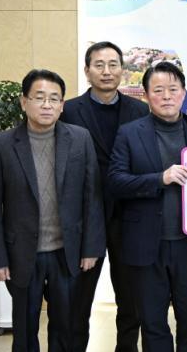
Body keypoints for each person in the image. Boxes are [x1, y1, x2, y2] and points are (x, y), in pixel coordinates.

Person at [0, 69, 105, 352]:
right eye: (39, 97)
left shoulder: (80, 139)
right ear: (24, 102)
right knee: (24, 330)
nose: (47, 105)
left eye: (54, 98)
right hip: (22, 254)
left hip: (67, 253)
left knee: (65, 327)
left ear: (62, 105)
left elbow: (92, 197)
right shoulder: (1, 144)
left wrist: (91, 248)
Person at [108, 61, 187, 351]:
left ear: (184, 93)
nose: (166, 96)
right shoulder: (129, 133)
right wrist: (160, 178)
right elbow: (115, 182)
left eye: (173, 89)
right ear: (146, 95)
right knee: (153, 324)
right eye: (158, 90)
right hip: (146, 245)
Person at [61, 41, 148, 352]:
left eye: (113, 65)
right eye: (99, 65)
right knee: (78, 300)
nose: (107, 71)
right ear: (87, 71)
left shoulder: (140, 110)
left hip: (129, 217)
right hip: (84, 219)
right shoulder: (69, 110)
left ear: (122, 70)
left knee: (131, 301)